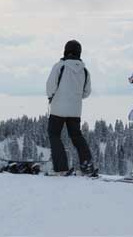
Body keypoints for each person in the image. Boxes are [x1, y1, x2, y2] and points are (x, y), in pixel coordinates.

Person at [46, 40, 97, 177]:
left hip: (58, 109)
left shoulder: (60, 66)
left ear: (65, 51)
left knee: (54, 134)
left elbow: (50, 86)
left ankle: (61, 168)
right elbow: (87, 92)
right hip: (75, 110)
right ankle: (87, 166)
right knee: (76, 136)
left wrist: (51, 96)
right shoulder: (85, 71)